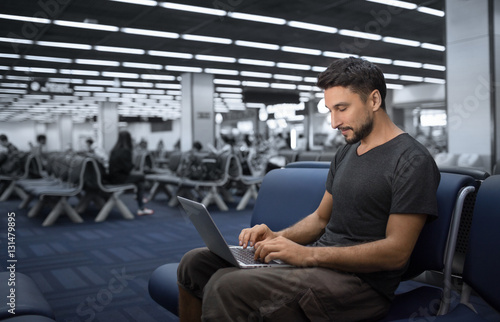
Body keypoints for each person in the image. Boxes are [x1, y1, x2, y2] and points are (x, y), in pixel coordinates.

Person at [176, 57, 440, 321]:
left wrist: (308, 254)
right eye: (330, 111)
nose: (334, 122)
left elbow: (396, 253)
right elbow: (320, 219)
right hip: (320, 266)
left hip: (361, 286)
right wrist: (278, 237)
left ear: (373, 100)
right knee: (194, 264)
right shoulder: (347, 151)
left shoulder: (412, 161)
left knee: (226, 287)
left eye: (342, 108)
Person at [108, 131, 153, 216]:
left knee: (139, 181)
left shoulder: (114, 150)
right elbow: (128, 169)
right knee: (141, 177)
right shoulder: (126, 151)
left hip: (112, 177)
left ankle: (140, 198)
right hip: (120, 178)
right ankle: (140, 203)